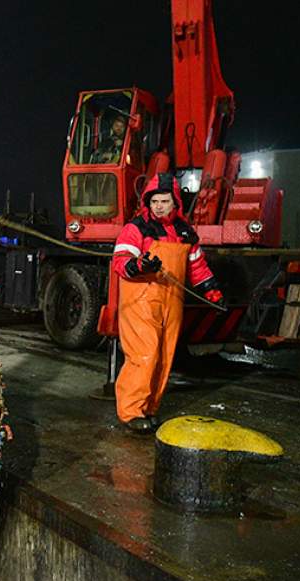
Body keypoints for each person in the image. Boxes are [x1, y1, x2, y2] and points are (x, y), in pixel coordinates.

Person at [110, 172, 225, 433]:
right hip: (141, 299)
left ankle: (149, 408)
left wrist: (211, 291)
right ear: (148, 203)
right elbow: (121, 262)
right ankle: (130, 412)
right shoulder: (136, 228)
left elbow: (196, 266)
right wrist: (140, 265)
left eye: (164, 201)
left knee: (164, 356)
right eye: (154, 202)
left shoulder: (185, 232)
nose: (159, 206)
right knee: (144, 354)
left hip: (171, 300)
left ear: (175, 203)